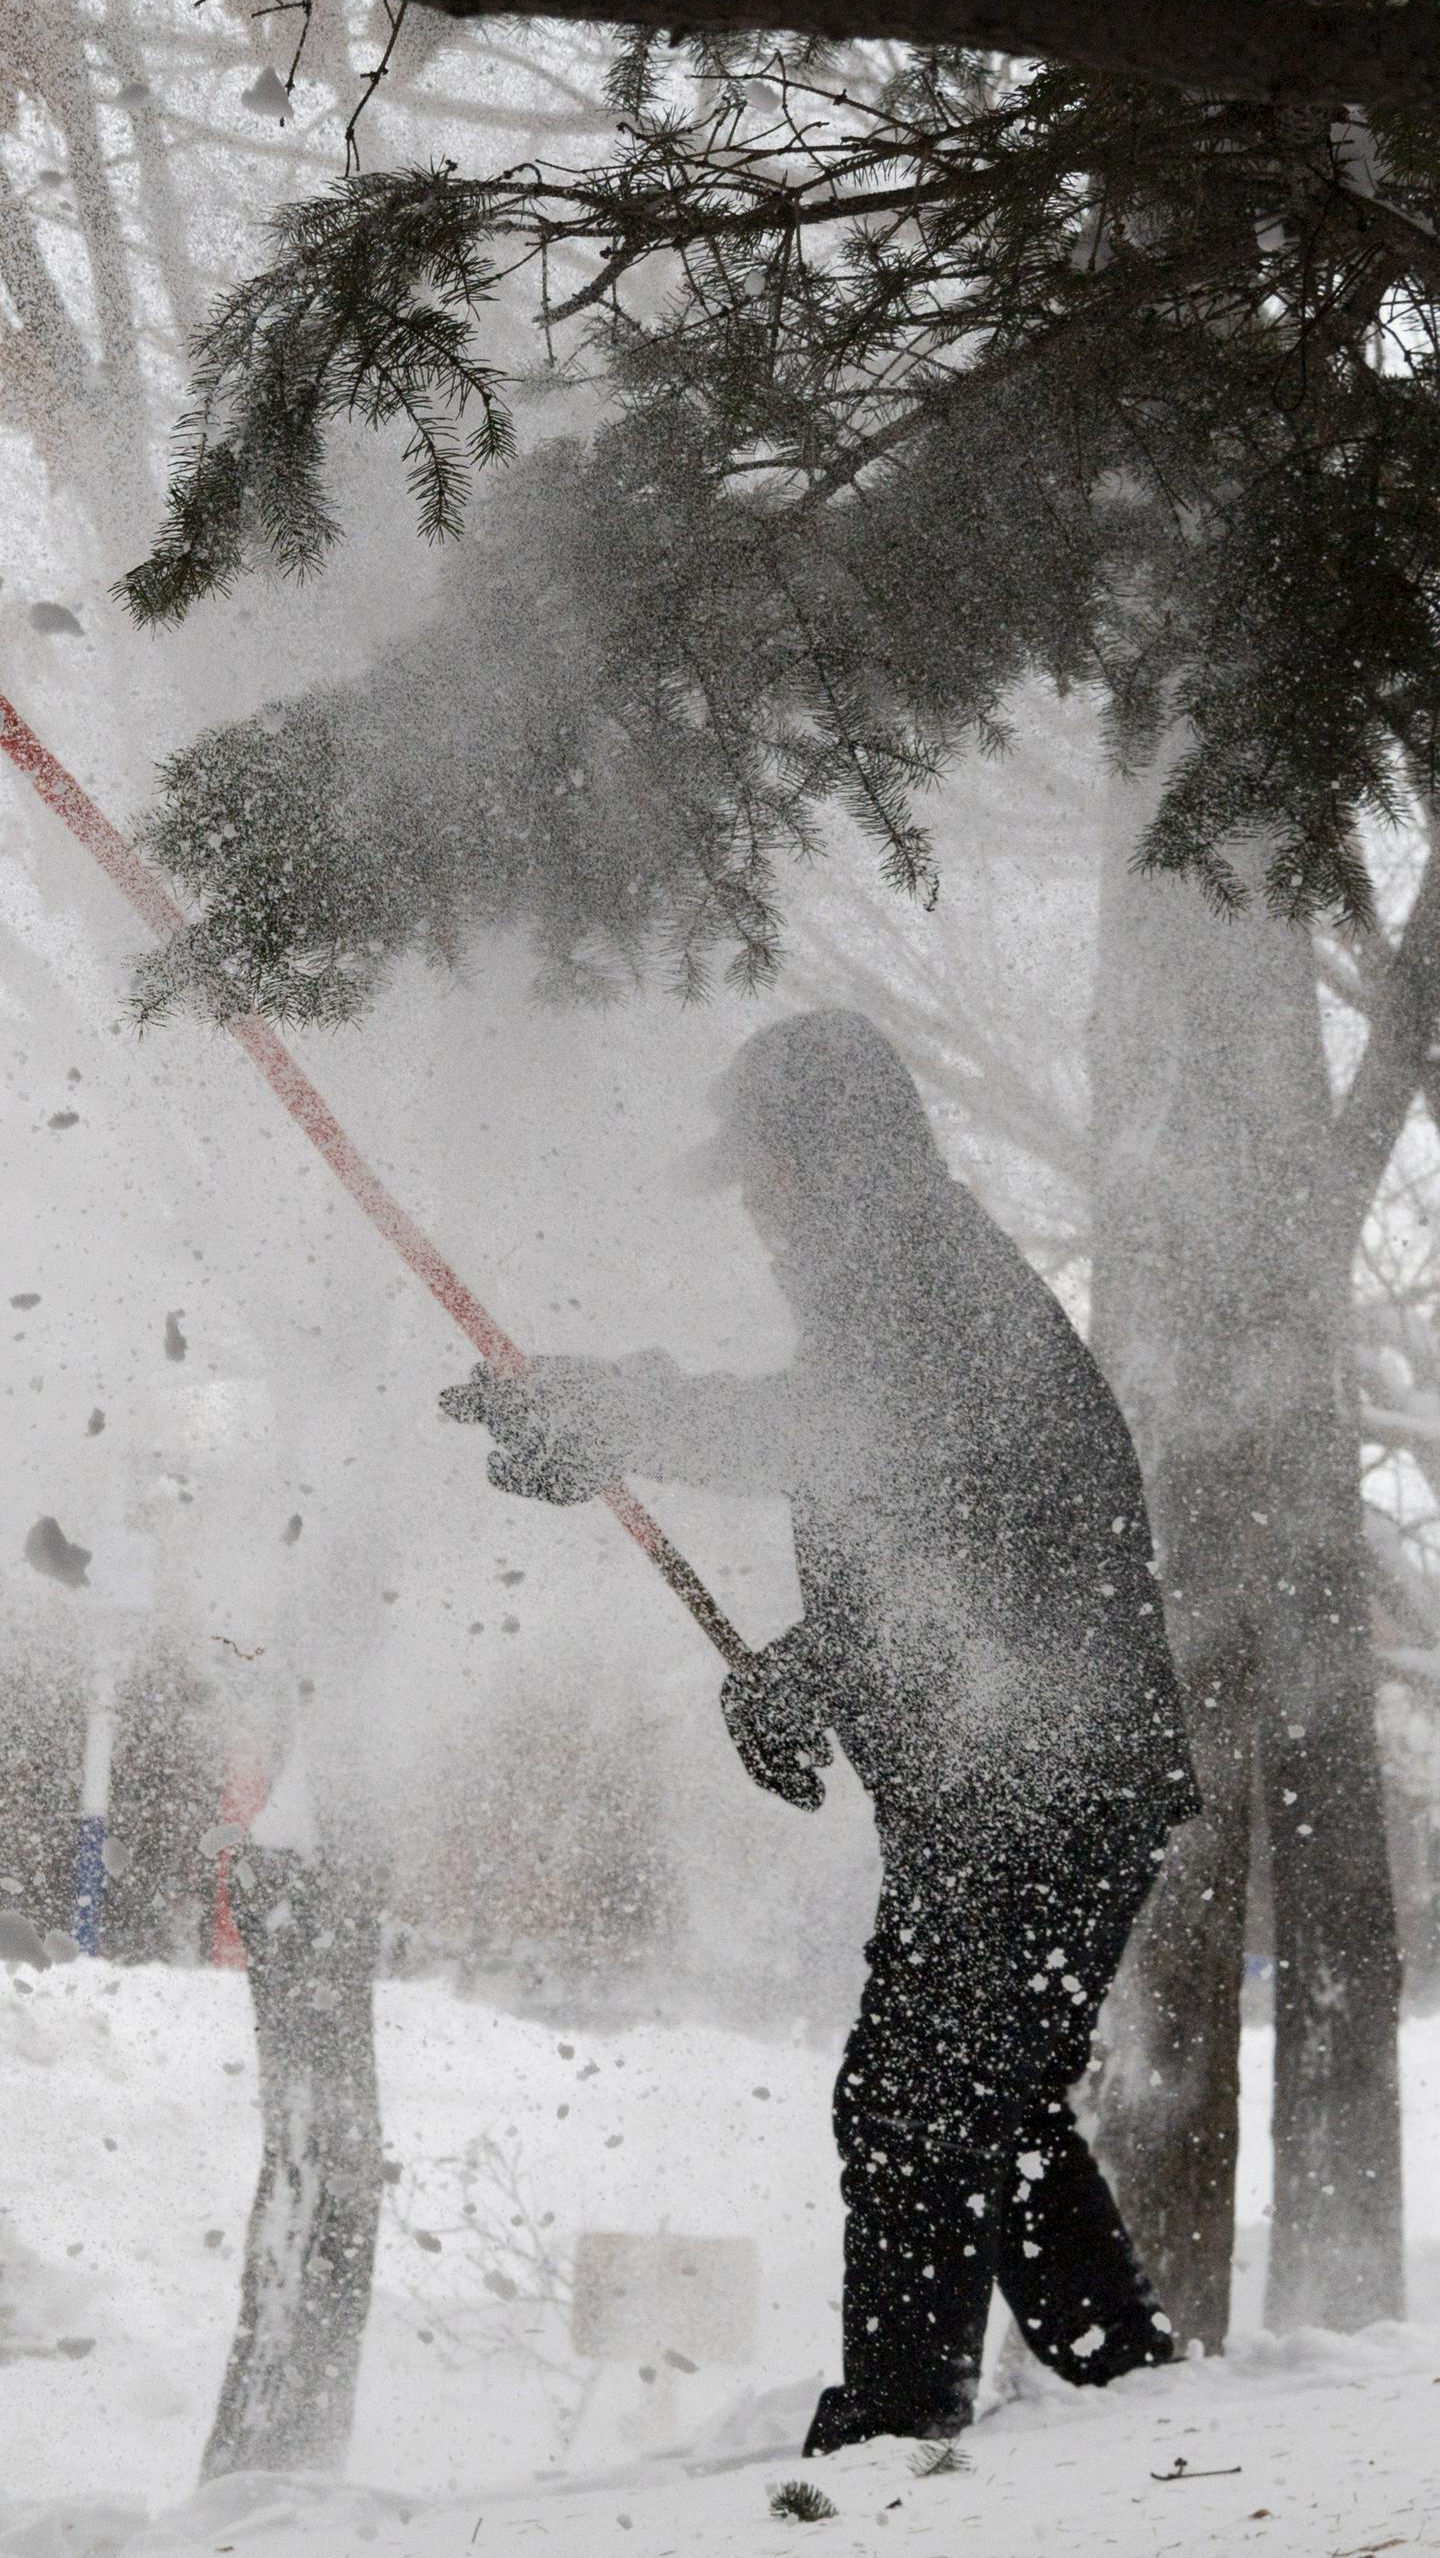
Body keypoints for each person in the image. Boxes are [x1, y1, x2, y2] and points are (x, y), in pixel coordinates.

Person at [441, 1009, 1199, 2453]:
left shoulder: (917, 1275)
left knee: (916, 2105)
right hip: (1049, 1770)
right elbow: (933, 1534)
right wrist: (808, 1663)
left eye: (767, 1171)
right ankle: (1138, 2407)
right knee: (993, 2104)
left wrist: (610, 1417)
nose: (755, 1207)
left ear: (832, 1156)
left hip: (1044, 1771)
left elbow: (860, 1453)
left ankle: (895, 2451)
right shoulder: (907, 1278)